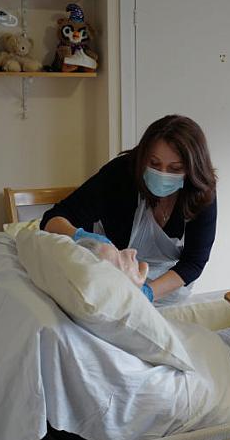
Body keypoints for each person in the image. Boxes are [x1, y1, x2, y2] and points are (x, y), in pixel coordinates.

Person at [41, 115, 217, 306]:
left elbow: (194, 262)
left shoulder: (200, 193)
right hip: (109, 270)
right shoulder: (121, 174)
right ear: (143, 158)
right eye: (154, 164)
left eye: (175, 169)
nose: (163, 174)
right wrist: (85, 238)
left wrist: (146, 293)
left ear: (192, 170)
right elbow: (52, 219)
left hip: (164, 285)